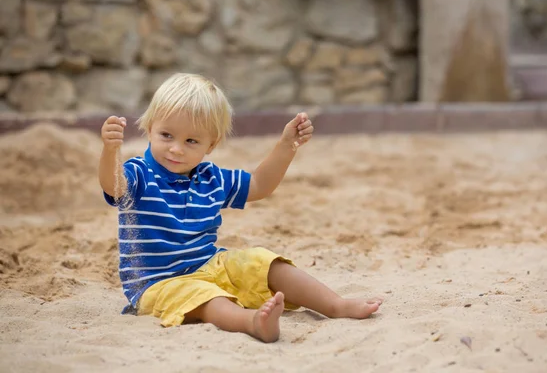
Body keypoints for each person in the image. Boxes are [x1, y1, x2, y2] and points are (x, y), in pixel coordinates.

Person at [99, 73, 383, 342]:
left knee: (262, 261)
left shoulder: (211, 177)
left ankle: (335, 304)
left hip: (208, 264)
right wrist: (111, 150)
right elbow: (115, 187)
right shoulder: (138, 172)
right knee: (204, 295)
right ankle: (252, 322)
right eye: (166, 136)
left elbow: (259, 185)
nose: (176, 149)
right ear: (150, 129)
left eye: (191, 141)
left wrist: (287, 146)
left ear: (211, 145)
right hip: (157, 283)